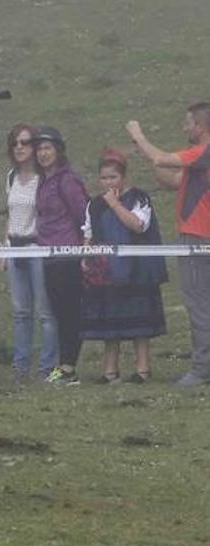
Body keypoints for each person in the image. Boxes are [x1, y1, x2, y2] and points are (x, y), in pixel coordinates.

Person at [126, 103, 210, 386]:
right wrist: (146, 155)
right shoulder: (199, 162)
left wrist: (139, 136)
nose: (184, 128)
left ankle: (202, 369)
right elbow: (171, 179)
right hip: (197, 236)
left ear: (200, 127)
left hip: (198, 237)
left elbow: (164, 160)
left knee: (198, 303)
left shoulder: (202, 152)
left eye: (188, 123)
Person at [80, 149, 167, 384]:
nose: (108, 183)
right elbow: (88, 234)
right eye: (104, 178)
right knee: (110, 323)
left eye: (113, 177)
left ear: (124, 177)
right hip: (106, 272)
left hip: (136, 270)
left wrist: (116, 205)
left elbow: (138, 225)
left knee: (139, 325)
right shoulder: (94, 204)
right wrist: (85, 259)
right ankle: (109, 371)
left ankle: (142, 370)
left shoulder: (140, 197)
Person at [32, 126, 89, 385]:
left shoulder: (68, 180)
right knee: (57, 311)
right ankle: (62, 365)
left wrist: (84, 249)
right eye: (39, 148)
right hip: (49, 255)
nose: (43, 153)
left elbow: (83, 215)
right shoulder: (43, 181)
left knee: (69, 312)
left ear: (58, 150)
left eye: (47, 148)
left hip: (68, 254)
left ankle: (69, 368)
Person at [1, 123, 58, 381]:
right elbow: (9, 215)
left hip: (37, 246)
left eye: (25, 142)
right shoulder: (11, 177)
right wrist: (4, 249)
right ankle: (20, 365)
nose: (20, 148)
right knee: (20, 311)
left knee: (45, 312)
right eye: (15, 143)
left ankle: (46, 366)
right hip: (15, 247)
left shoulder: (43, 179)